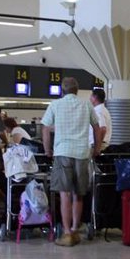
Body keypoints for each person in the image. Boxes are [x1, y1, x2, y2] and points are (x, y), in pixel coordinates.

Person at [41, 77, 100, 247]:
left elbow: (45, 128)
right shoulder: (87, 105)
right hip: (82, 153)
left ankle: (66, 232)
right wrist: (96, 149)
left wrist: (47, 149)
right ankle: (75, 229)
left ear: (62, 90)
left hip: (62, 152)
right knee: (78, 194)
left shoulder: (55, 105)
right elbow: (97, 128)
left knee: (64, 194)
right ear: (77, 90)